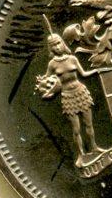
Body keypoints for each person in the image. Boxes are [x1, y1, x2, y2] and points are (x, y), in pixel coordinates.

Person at [37, 31, 101, 167]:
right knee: (76, 129)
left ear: (62, 43)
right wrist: (42, 82)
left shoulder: (72, 59)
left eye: (58, 43)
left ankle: (94, 147)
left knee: (89, 124)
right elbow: (47, 79)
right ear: (51, 48)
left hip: (81, 92)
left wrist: (97, 71)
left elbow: (83, 73)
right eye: (53, 46)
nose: (57, 47)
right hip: (67, 96)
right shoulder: (52, 64)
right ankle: (81, 154)